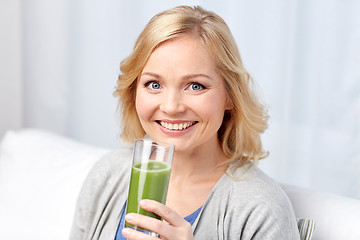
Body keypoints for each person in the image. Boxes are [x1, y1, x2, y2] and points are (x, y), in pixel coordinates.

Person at [69, 5, 300, 240]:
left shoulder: (261, 209)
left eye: (195, 86)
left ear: (230, 96)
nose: (171, 106)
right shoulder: (108, 174)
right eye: (154, 84)